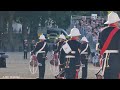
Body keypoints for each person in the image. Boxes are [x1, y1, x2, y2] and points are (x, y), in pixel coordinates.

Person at [98, 11, 120, 79]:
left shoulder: (102, 31)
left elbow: (99, 47)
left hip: (105, 60)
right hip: (116, 60)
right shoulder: (119, 32)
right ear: (116, 22)